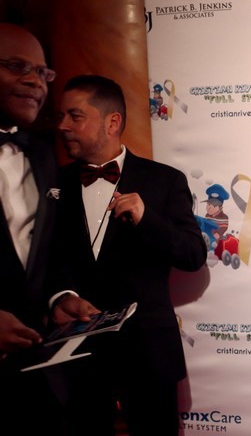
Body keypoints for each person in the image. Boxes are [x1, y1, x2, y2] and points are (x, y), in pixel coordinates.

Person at [50, 74, 206, 436]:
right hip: (75, 353)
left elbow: (193, 255)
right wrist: (61, 296)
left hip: (148, 352)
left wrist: (146, 218)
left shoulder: (165, 180)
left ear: (112, 122)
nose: (62, 126)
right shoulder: (51, 182)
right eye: (60, 116)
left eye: (75, 116)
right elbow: (42, 261)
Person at [0, 23, 65, 431]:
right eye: (16, 66)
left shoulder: (43, 155)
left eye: (42, 72)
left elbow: (44, 253)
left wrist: (60, 296)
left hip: (39, 373)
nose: (35, 81)